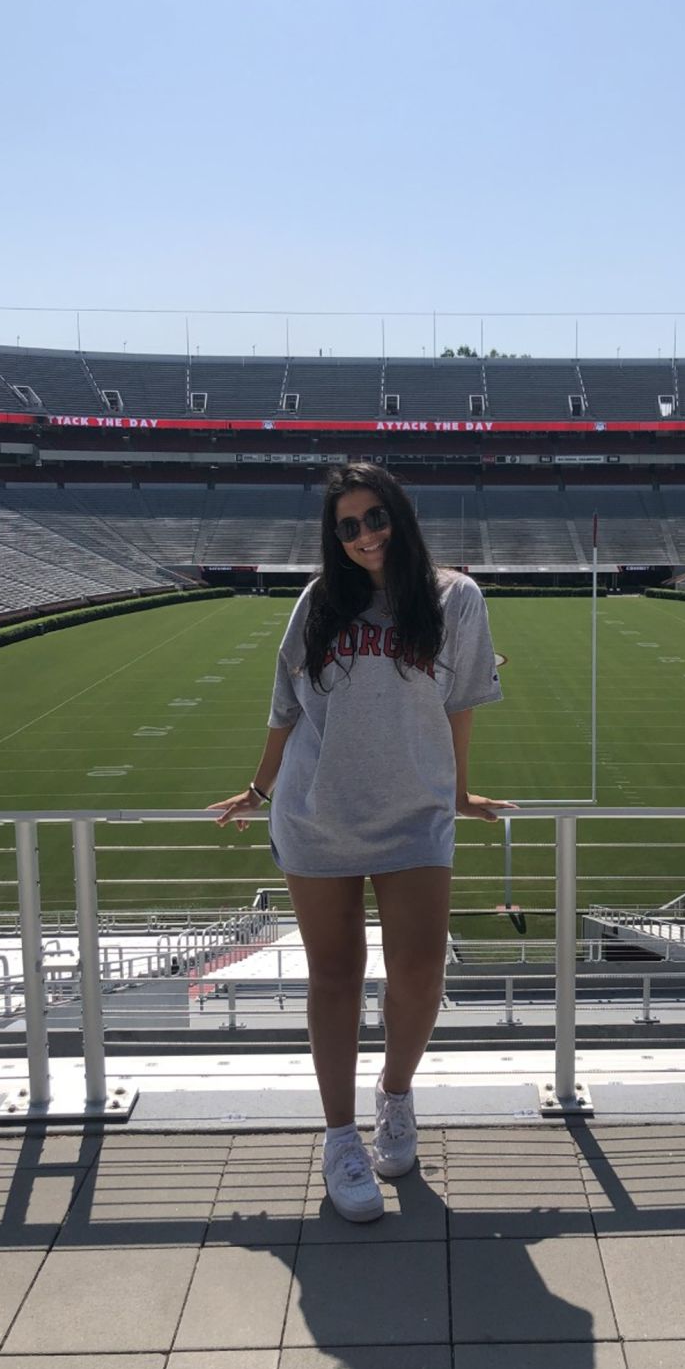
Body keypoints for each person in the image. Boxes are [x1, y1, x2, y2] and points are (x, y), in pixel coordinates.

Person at [210, 463, 513, 1222]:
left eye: (374, 517)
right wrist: (258, 789)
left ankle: (396, 1096)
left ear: (398, 515)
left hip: (415, 812)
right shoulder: (320, 600)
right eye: (346, 527)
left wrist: (458, 792)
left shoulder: (455, 598)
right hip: (317, 810)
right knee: (335, 976)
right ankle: (340, 1138)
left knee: (418, 971)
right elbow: (286, 705)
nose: (364, 536)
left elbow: (464, 702)